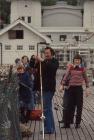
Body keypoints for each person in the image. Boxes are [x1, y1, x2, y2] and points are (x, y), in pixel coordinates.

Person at [60, 54, 90, 128]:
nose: (77, 61)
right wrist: (62, 85)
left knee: (79, 107)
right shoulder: (70, 67)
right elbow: (66, 77)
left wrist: (87, 88)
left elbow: (86, 79)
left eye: (78, 60)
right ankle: (67, 124)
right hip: (70, 89)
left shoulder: (83, 69)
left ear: (80, 61)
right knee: (68, 106)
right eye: (76, 60)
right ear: (73, 61)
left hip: (79, 89)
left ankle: (77, 123)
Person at [37, 47, 59, 134]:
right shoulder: (44, 62)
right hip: (43, 87)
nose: (46, 54)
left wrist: (42, 61)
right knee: (48, 108)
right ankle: (50, 128)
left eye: (48, 53)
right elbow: (34, 67)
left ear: (52, 53)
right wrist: (35, 60)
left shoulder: (55, 61)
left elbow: (52, 69)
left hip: (49, 88)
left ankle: (48, 129)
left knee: (46, 109)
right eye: (45, 53)